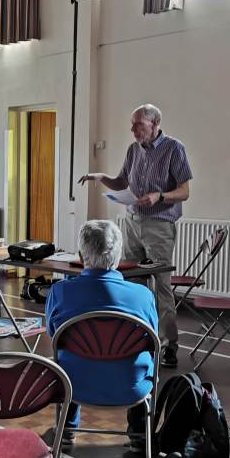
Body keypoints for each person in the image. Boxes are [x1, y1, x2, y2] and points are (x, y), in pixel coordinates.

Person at [78, 103, 192, 368]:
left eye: (138, 125)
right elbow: (122, 182)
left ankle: (168, 345)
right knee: (133, 282)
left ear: (155, 124)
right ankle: (138, 337)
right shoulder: (133, 149)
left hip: (159, 225)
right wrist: (100, 177)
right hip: (132, 222)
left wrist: (159, 196)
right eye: (132, 125)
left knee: (161, 285)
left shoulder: (174, 149)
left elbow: (184, 191)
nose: (133, 130)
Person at [46, 220, 158, 450]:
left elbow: (53, 333)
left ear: (81, 255)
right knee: (146, 357)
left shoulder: (61, 292)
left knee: (66, 355)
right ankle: (139, 434)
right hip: (131, 386)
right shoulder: (143, 295)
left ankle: (66, 430)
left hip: (75, 384)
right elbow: (153, 341)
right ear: (118, 257)